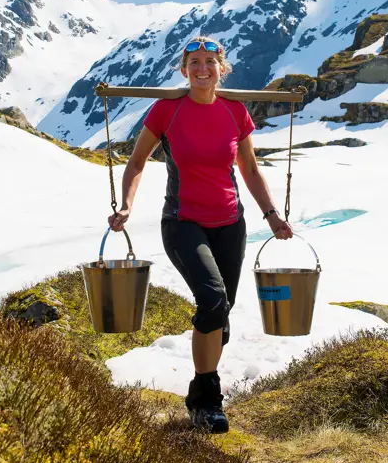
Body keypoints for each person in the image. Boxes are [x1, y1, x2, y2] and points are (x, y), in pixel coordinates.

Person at [107, 35, 294, 434]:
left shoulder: (235, 112)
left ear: (221, 68)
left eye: (210, 61)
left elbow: (250, 170)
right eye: (194, 61)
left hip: (230, 222)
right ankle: (208, 401)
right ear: (183, 69)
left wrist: (272, 215)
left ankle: (197, 392)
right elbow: (137, 161)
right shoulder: (166, 111)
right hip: (183, 221)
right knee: (212, 300)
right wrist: (126, 204)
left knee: (219, 318)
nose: (202, 68)